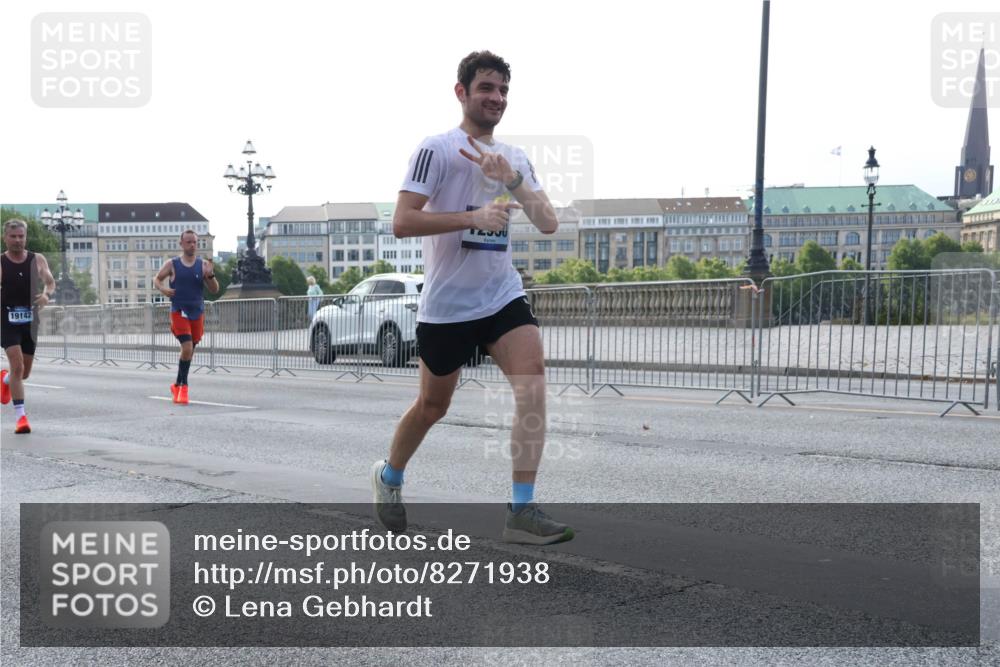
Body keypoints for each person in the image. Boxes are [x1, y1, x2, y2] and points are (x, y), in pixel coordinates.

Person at [371, 51, 572, 545]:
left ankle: (520, 510)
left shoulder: (514, 159)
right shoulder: (436, 150)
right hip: (447, 306)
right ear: (461, 92)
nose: (496, 98)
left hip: (501, 295)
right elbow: (402, 221)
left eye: (503, 90)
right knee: (432, 406)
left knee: (532, 383)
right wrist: (473, 217)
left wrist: (513, 180)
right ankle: (390, 475)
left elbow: (548, 223)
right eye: (486, 88)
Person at [1, 219, 56, 434]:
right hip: (6, 320)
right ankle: (21, 418)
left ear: (26, 237)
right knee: (17, 366)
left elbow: (50, 282)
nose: (17, 240)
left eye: (21, 236)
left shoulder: (37, 260)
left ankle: (4, 379)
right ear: (5, 238)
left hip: (30, 322)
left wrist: (45, 295)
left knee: (23, 373)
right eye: (13, 236)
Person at [153, 230, 219, 405]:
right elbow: (157, 279)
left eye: (195, 242)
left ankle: (176, 384)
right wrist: (163, 289)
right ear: (181, 244)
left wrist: (211, 275)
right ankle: (184, 387)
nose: (192, 245)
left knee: (189, 351)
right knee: (187, 347)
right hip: (179, 311)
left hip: (197, 312)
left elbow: (214, 290)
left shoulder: (203, 265)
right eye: (188, 242)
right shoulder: (172, 264)